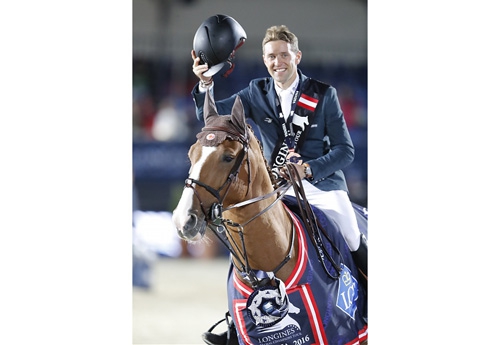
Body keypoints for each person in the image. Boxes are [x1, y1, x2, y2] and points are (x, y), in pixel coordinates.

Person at [191, 24, 367, 345]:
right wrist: (205, 83)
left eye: (284, 55)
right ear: (264, 59)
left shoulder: (323, 95)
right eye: (271, 56)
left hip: (322, 187)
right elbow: (213, 120)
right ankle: (236, 322)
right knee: (242, 242)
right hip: (277, 189)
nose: (278, 61)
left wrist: (309, 169)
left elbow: (345, 150)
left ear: (296, 57)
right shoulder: (254, 93)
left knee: (352, 237)